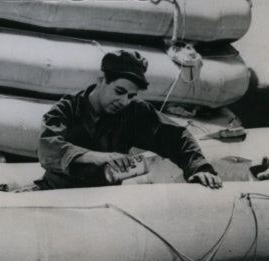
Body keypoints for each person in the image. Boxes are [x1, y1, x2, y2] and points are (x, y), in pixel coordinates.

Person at [35, 50, 223, 190]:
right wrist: (99, 157)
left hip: (104, 201)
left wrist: (199, 168)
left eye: (131, 96)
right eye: (119, 92)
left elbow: (176, 137)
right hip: (56, 193)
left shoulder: (134, 112)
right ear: (101, 80)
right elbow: (47, 147)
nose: (124, 101)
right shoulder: (68, 108)